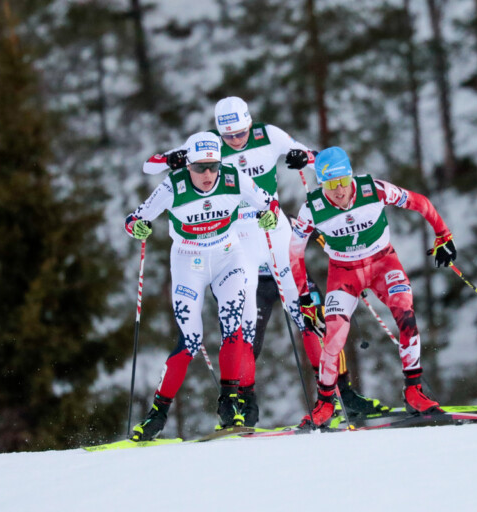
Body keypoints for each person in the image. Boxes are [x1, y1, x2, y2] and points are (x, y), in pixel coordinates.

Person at [142, 97, 387, 426]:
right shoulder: (207, 149)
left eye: (241, 132)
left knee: (310, 311)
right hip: (236, 238)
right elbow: (151, 165)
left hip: (274, 229)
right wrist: (173, 158)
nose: (236, 141)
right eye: (228, 136)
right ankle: (242, 404)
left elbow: (319, 161)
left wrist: (305, 157)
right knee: (242, 328)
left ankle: (342, 392)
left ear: (249, 123)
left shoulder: (269, 135)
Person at [126, 131, 280, 441]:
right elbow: (134, 218)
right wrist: (138, 227)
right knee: (190, 340)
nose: (207, 175)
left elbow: (269, 204)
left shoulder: (234, 177)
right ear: (188, 166)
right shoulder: (174, 186)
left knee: (234, 326)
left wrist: (269, 217)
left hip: (227, 255)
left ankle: (229, 404)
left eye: (213, 167)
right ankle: (157, 416)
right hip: (188, 261)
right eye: (199, 168)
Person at [289, 146, 457, 428]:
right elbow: (295, 253)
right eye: (331, 184)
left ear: (351, 176)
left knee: (406, 314)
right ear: (321, 184)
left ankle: (414, 391)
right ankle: (325, 403)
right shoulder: (312, 209)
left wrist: (444, 235)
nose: (340, 190)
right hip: (344, 273)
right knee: (334, 335)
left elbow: (419, 202)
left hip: (383, 264)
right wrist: (305, 297)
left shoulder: (374, 189)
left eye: (343, 181)